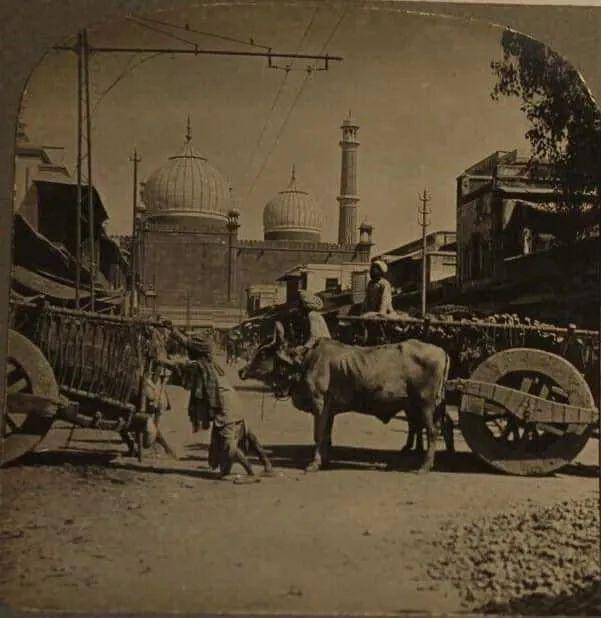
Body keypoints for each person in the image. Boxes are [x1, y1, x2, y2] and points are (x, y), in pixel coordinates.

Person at [160, 333, 273, 480]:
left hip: (225, 406)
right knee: (245, 434)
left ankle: (250, 472)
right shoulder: (211, 362)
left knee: (228, 446)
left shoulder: (199, 366)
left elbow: (177, 366)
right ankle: (267, 464)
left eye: (190, 350)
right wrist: (172, 331)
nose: (188, 352)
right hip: (234, 401)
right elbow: (187, 344)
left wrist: (158, 360)